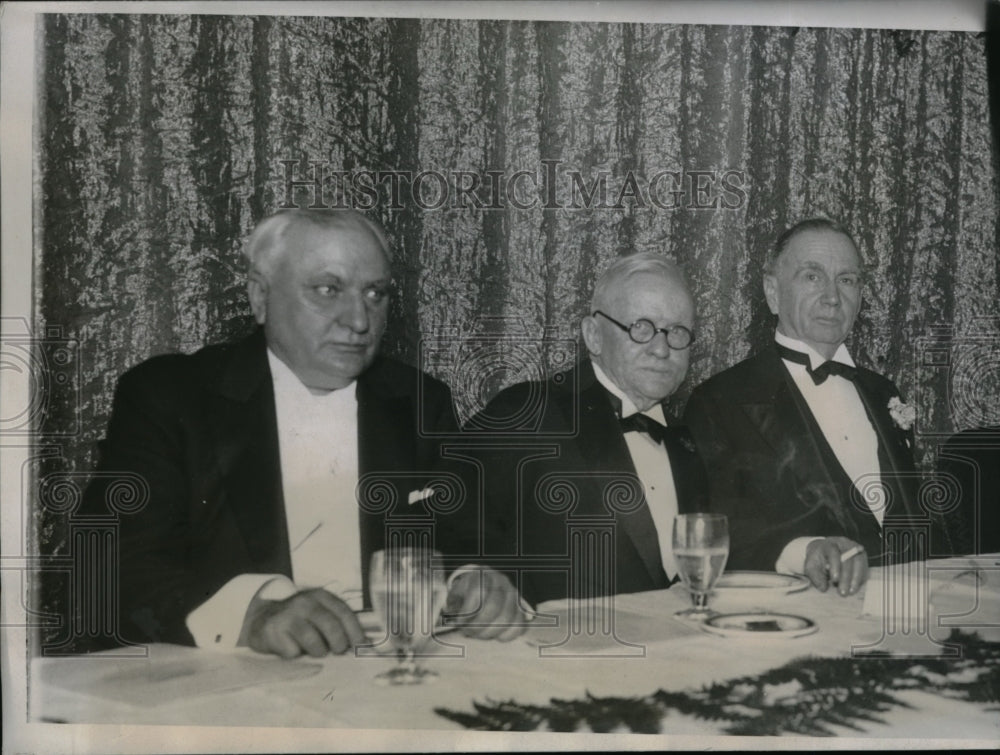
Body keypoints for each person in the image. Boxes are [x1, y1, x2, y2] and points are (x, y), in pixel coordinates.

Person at [80, 209, 525, 659]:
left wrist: (473, 578)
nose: (359, 320)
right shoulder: (171, 396)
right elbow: (107, 567)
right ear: (260, 296)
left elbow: (472, 537)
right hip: (234, 676)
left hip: (390, 671)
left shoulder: (418, 400)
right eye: (327, 290)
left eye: (375, 293)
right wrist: (253, 615)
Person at [683, 217, 925, 597]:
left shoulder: (884, 392)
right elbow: (718, 527)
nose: (832, 296)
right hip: (801, 613)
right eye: (812, 276)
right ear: (772, 292)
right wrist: (802, 551)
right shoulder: (719, 401)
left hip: (907, 612)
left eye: (847, 279)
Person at [466, 254, 709, 606]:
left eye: (677, 332)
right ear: (593, 336)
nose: (661, 348)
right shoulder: (526, 412)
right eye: (641, 327)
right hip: (555, 653)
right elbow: (448, 520)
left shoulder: (688, 437)